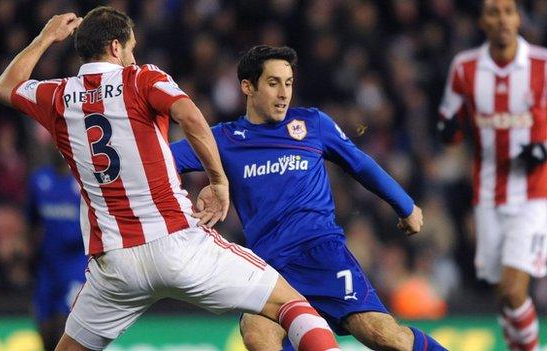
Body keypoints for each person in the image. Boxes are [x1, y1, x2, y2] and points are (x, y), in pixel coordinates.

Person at [0, 6, 340, 351]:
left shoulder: (57, 96)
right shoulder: (142, 78)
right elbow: (190, 117)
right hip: (176, 243)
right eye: (130, 47)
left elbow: (5, 86)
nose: (133, 55)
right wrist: (218, 180)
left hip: (115, 265)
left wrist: (45, 37)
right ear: (116, 47)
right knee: (290, 305)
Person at [171, 45, 447, 350]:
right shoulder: (224, 139)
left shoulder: (313, 125)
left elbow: (360, 164)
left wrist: (405, 205)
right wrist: (215, 178)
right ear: (247, 87)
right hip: (270, 267)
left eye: (288, 83)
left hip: (322, 254)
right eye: (273, 83)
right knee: (257, 336)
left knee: (385, 336)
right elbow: (160, 161)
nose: (283, 93)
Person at [438, 0, 547, 350]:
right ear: (482, 22)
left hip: (533, 193)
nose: (502, 19)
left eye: (508, 11)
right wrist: (448, 131)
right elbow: (449, 122)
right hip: (487, 195)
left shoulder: (542, 65)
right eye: (493, 12)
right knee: (503, 295)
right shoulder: (465, 67)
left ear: (518, 18)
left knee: (516, 290)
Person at [27, 148, 87, 351]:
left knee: (65, 321)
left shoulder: (82, 183)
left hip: (75, 263)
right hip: (48, 263)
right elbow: (32, 221)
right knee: (42, 320)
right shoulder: (39, 180)